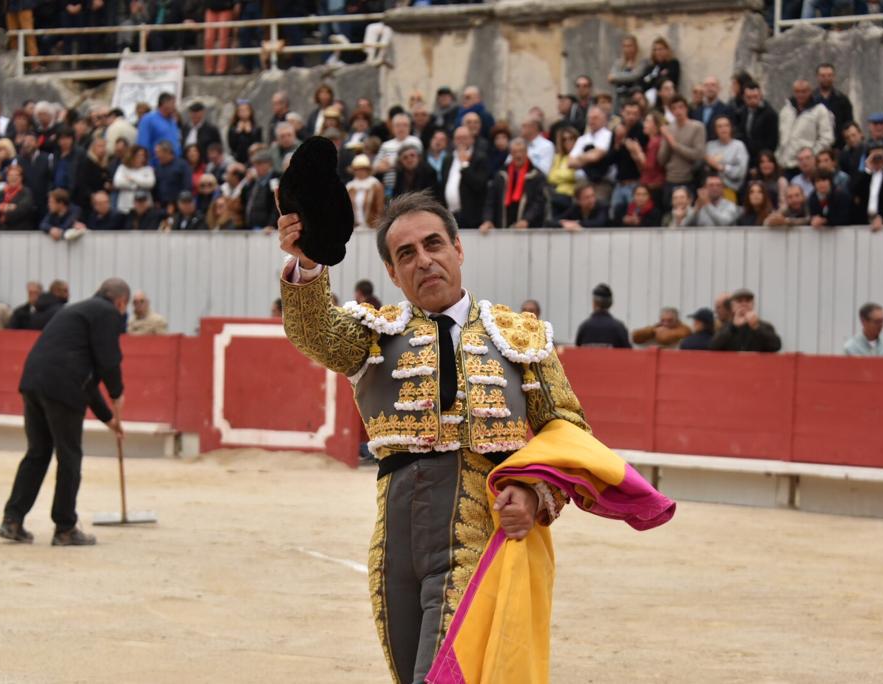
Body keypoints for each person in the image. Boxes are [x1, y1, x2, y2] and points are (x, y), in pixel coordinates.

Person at [276, 192, 674, 683]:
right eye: (406, 254)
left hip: (479, 538)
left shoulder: (519, 336)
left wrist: (535, 493)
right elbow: (314, 330)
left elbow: (568, 428)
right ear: (391, 272)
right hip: (393, 549)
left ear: (458, 249)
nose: (424, 261)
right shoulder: (374, 335)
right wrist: (308, 264)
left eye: (434, 244)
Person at [0, 278, 128, 546]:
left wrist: (109, 420)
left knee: (37, 453)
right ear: (120, 302)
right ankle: (65, 527)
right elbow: (108, 361)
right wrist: (117, 393)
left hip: (34, 381)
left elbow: (86, 379)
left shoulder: (78, 311)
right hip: (62, 386)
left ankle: (12, 520)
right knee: (69, 456)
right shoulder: (107, 314)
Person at [480, 138, 547, 232]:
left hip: (529, 232)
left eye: (521, 151)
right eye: (515, 152)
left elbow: (539, 203)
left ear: (527, 152)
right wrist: (487, 220)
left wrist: (527, 220)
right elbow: (490, 201)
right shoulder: (501, 175)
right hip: (503, 229)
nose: (518, 155)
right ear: (510, 154)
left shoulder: (537, 176)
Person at [776, 79, 833, 175]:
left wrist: (811, 155)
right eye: (797, 92)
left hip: (805, 166)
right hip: (784, 164)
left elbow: (827, 139)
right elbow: (780, 135)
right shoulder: (786, 109)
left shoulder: (820, 111)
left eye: (804, 91)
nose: (800, 95)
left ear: (810, 91)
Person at [658, 95, 706, 206]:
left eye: (681, 107)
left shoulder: (697, 127)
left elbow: (698, 154)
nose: (678, 111)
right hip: (670, 179)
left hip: (688, 179)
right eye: (674, 108)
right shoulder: (669, 128)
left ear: (686, 108)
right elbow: (661, 160)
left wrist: (674, 144)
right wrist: (667, 140)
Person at [443, 126, 488, 230]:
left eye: (464, 138)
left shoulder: (479, 158)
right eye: (458, 138)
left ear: (472, 140)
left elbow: (479, 185)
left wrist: (464, 165)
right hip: (451, 215)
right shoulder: (448, 159)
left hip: (471, 217)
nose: (461, 141)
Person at [710, 288, 781, 353]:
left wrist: (756, 327)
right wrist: (733, 327)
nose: (744, 304)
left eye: (748, 301)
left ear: (753, 304)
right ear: (732, 306)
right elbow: (713, 346)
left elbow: (776, 346)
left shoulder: (765, 326)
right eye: (739, 301)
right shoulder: (726, 327)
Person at [850, 142, 883, 231]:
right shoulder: (864, 175)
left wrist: (882, 216)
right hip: (864, 222)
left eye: (881, 155)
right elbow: (855, 191)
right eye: (874, 155)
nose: (878, 158)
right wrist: (868, 169)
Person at [374, 113, 422, 197]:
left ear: (410, 127)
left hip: (409, 188)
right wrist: (382, 166)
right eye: (398, 125)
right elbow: (375, 167)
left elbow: (418, 164)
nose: (401, 128)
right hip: (388, 189)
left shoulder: (415, 142)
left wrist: (390, 163)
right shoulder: (386, 145)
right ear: (392, 128)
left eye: (405, 125)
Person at [704, 115, 748, 201]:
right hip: (710, 191)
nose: (723, 129)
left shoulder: (739, 146)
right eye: (719, 126)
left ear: (731, 128)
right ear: (715, 130)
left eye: (726, 125)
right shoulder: (709, 146)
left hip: (730, 190)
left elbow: (740, 173)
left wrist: (720, 167)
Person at [736, 83, 780, 169]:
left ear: (760, 96)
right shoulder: (741, 112)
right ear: (744, 97)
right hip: (745, 157)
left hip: (761, 160)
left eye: (755, 97)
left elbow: (772, 142)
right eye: (749, 97)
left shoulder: (770, 114)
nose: (752, 100)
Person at [575, 283, 631, 347]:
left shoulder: (584, 328)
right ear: (610, 303)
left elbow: (578, 353)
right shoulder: (619, 328)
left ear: (594, 303)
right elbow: (628, 354)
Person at [812, 63, 854, 148]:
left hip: (838, 147)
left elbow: (849, 124)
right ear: (817, 77)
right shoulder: (811, 100)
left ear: (834, 77)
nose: (826, 79)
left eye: (829, 75)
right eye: (823, 76)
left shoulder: (842, 100)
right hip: (815, 146)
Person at [136, 93, 181, 164]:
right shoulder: (148, 119)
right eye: (173, 104)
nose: (174, 107)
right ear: (165, 104)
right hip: (156, 166)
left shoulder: (173, 121)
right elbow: (142, 145)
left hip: (174, 166)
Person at [0, 165, 35, 231]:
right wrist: (5, 207)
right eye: (10, 176)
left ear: (21, 178)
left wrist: (4, 213)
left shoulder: (26, 192)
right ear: (7, 178)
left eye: (16, 176)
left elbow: (23, 208)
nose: (13, 178)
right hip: (1, 230)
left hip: (20, 230)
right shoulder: (2, 192)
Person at [113, 144, 155, 214]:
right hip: (126, 206)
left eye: (143, 155)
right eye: (138, 155)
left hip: (144, 207)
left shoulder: (148, 169)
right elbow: (118, 182)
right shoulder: (122, 168)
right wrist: (137, 186)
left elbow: (150, 183)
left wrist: (132, 178)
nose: (141, 158)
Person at [346, 155, 384, 230]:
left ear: (368, 170)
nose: (360, 172)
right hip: (354, 229)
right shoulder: (349, 187)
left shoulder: (375, 185)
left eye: (363, 169)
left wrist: (379, 225)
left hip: (372, 228)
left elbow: (380, 208)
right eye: (357, 169)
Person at [243, 151, 279, 231]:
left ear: (268, 164)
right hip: (252, 227)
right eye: (255, 164)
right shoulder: (253, 181)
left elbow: (276, 204)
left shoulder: (275, 179)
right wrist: (247, 183)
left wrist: (271, 224)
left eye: (259, 164)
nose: (256, 167)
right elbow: (245, 200)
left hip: (268, 229)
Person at [609, 35, 650, 103]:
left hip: (635, 96)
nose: (627, 49)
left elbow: (635, 76)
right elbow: (610, 77)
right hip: (619, 96)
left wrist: (616, 77)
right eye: (625, 46)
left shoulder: (642, 62)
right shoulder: (619, 63)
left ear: (635, 47)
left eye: (629, 46)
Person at [691, 76, 733, 141]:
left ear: (719, 89)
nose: (709, 88)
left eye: (713, 85)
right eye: (706, 85)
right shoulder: (696, 110)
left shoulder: (727, 110)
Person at [227, 100, 263, 165]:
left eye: (246, 110)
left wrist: (250, 133)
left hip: (253, 159)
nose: (243, 112)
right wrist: (237, 133)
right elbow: (231, 146)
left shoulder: (257, 128)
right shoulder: (232, 128)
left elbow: (258, 144)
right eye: (241, 110)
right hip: (238, 160)